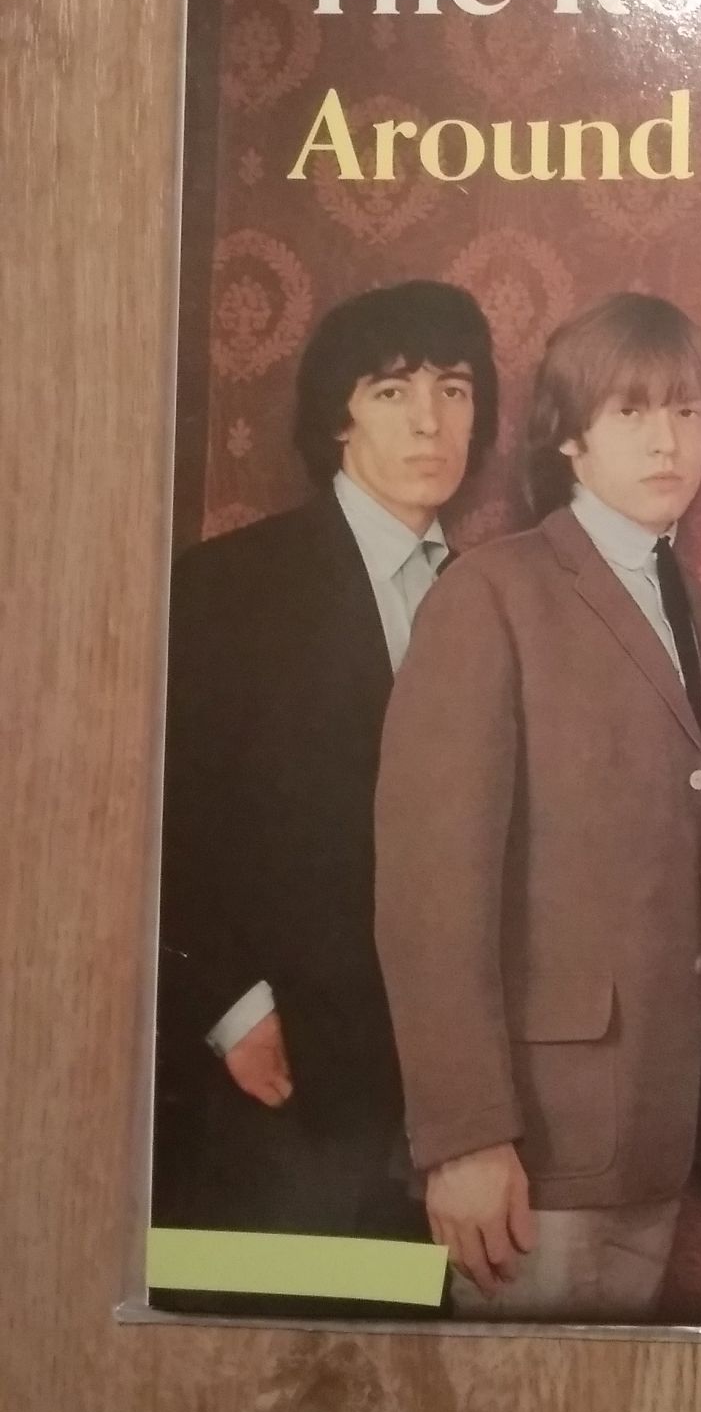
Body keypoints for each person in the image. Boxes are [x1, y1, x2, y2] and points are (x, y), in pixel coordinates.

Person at [374, 293, 701, 1322]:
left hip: (658, 1127)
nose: (668, 441)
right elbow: (430, 891)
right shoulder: (492, 594)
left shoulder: (695, 608)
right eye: (632, 412)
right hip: (536, 1139)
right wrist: (464, 1136)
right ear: (571, 437)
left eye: (688, 412)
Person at [155, 278, 497, 1246]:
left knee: (421, 1330)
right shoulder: (230, 586)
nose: (430, 421)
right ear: (338, 418)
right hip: (283, 1070)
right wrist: (231, 1007)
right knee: (295, 1327)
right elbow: (162, 818)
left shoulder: (490, 597)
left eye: (454, 389)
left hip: (448, 1091)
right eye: (392, 391)